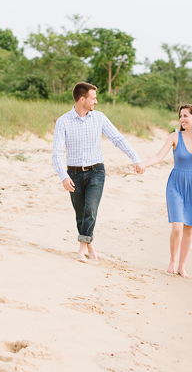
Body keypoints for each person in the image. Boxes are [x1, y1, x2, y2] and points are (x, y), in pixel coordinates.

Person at [52, 82, 145, 263]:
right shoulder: (63, 121)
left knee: (91, 211)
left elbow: (117, 139)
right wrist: (63, 176)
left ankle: (80, 250)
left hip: (97, 172)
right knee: (81, 215)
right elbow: (56, 153)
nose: (96, 101)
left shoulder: (99, 118)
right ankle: (91, 249)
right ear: (82, 99)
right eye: (93, 98)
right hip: (74, 174)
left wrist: (135, 158)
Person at [139, 104, 192, 278]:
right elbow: (159, 156)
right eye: (181, 116)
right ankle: (173, 260)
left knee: (189, 229)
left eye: (186, 116)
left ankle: (182, 266)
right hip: (176, 184)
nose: (182, 119)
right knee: (178, 227)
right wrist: (143, 164)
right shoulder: (175, 137)